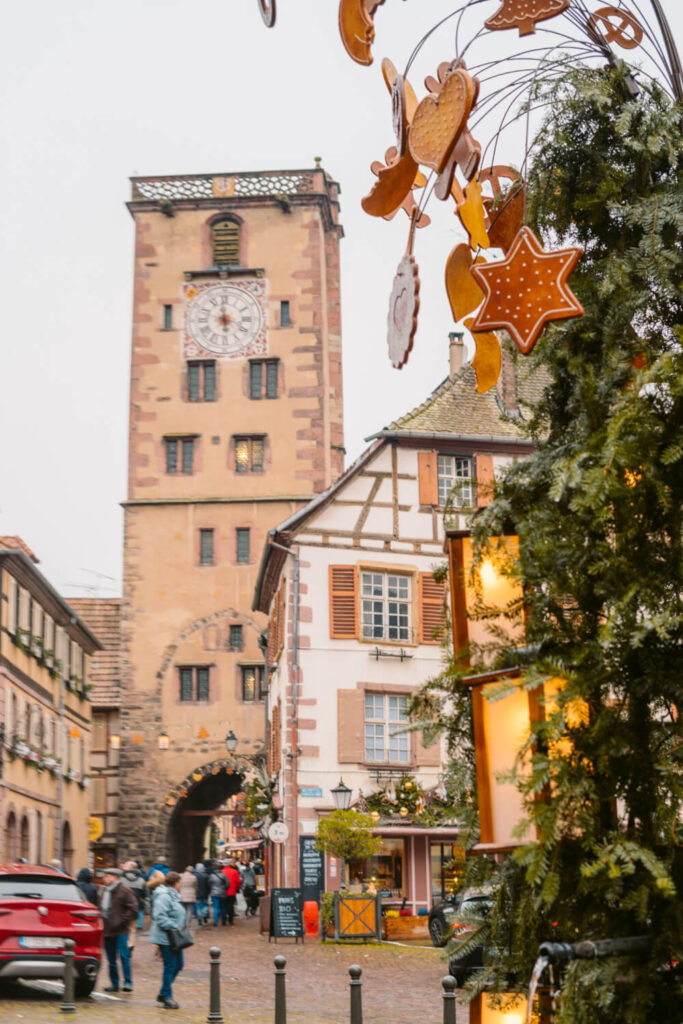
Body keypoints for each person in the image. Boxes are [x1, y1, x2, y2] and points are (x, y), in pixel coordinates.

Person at [149, 871, 187, 1010]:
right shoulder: (164, 896)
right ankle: (167, 997)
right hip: (166, 937)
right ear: (176, 883)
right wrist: (174, 926)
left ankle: (163, 992)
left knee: (178, 965)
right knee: (170, 966)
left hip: (175, 937)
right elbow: (159, 916)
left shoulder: (173, 895)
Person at [101, 867, 138, 993]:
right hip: (107, 929)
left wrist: (122, 921)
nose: (105, 879)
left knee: (124, 956)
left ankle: (128, 982)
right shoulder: (104, 890)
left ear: (115, 877)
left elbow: (133, 908)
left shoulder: (124, 890)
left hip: (121, 930)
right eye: (105, 876)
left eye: (107, 876)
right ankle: (114, 983)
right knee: (111, 959)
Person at [122, 861, 147, 954]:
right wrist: (146, 909)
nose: (124, 866)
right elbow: (145, 896)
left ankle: (124, 946)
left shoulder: (121, 880)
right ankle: (130, 945)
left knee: (124, 929)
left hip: (123, 909)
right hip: (135, 908)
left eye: (126, 865)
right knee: (132, 930)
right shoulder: (141, 881)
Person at [222, 859, 242, 926]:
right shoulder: (234, 871)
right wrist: (236, 887)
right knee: (231, 905)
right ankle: (230, 920)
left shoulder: (221, 872)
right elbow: (238, 881)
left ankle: (224, 920)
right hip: (232, 891)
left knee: (224, 906)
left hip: (223, 892)